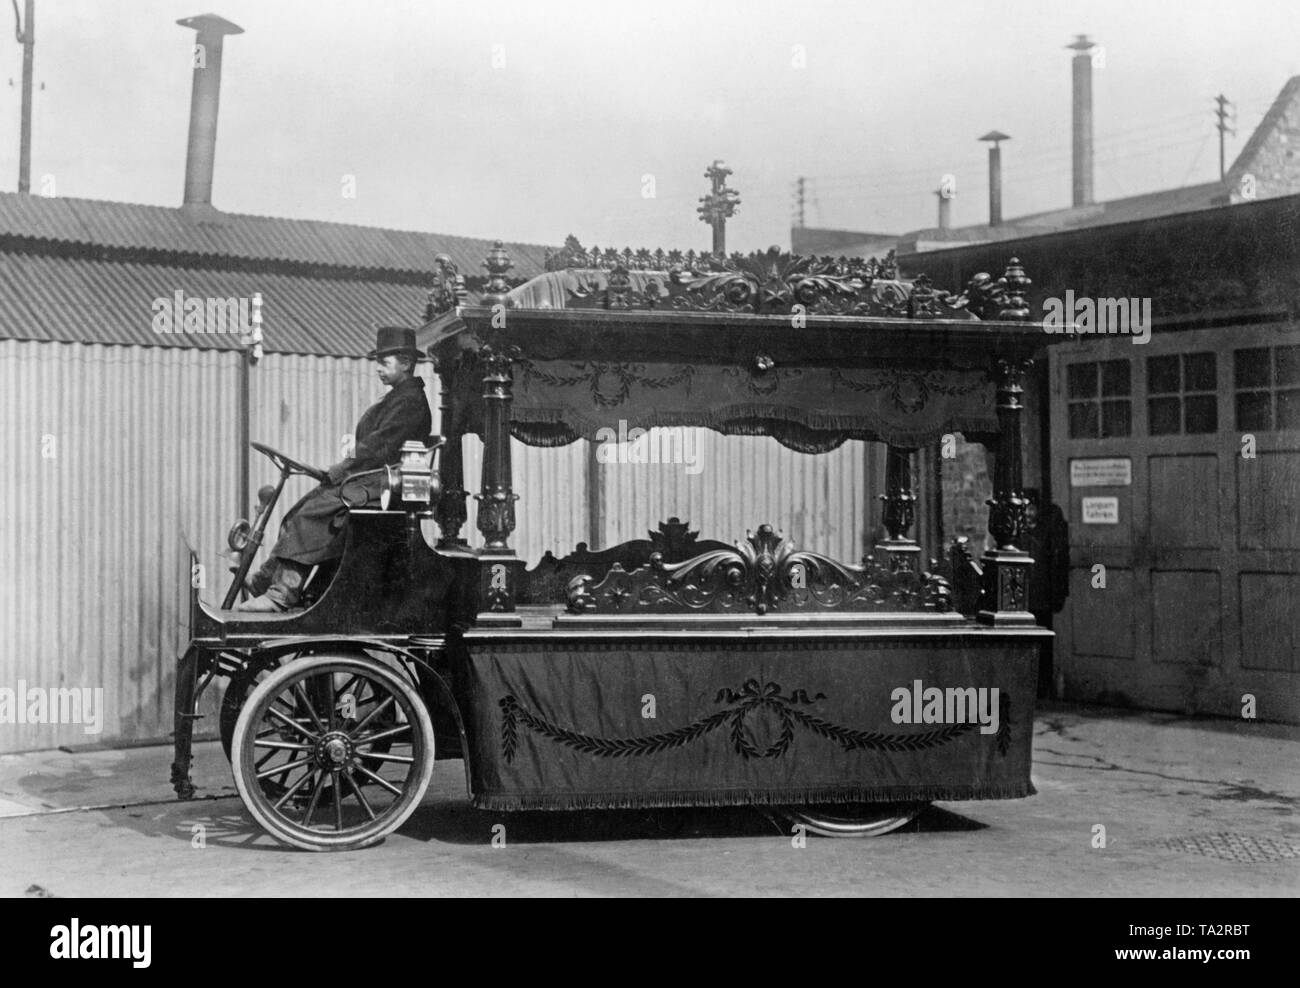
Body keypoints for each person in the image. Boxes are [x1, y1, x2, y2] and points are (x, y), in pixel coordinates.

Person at [238, 327, 433, 612]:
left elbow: (378, 448)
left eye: (385, 362)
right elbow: (367, 446)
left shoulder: (410, 403)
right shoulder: (398, 398)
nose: (378, 368)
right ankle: (267, 580)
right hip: (368, 480)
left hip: (382, 486)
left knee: (311, 514)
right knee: (303, 508)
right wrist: (338, 469)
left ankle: (282, 593)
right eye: (377, 361)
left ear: (405, 363)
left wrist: (338, 470)